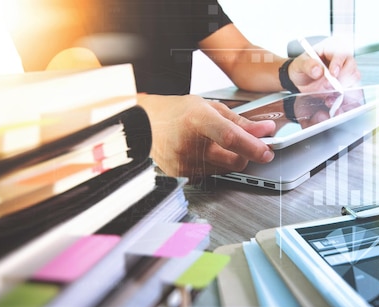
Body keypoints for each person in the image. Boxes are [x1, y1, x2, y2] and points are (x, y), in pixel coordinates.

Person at [77, 0, 361, 179]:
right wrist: (146, 119)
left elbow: (238, 54)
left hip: (185, 174)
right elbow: (71, 87)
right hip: (101, 172)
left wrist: (292, 72)